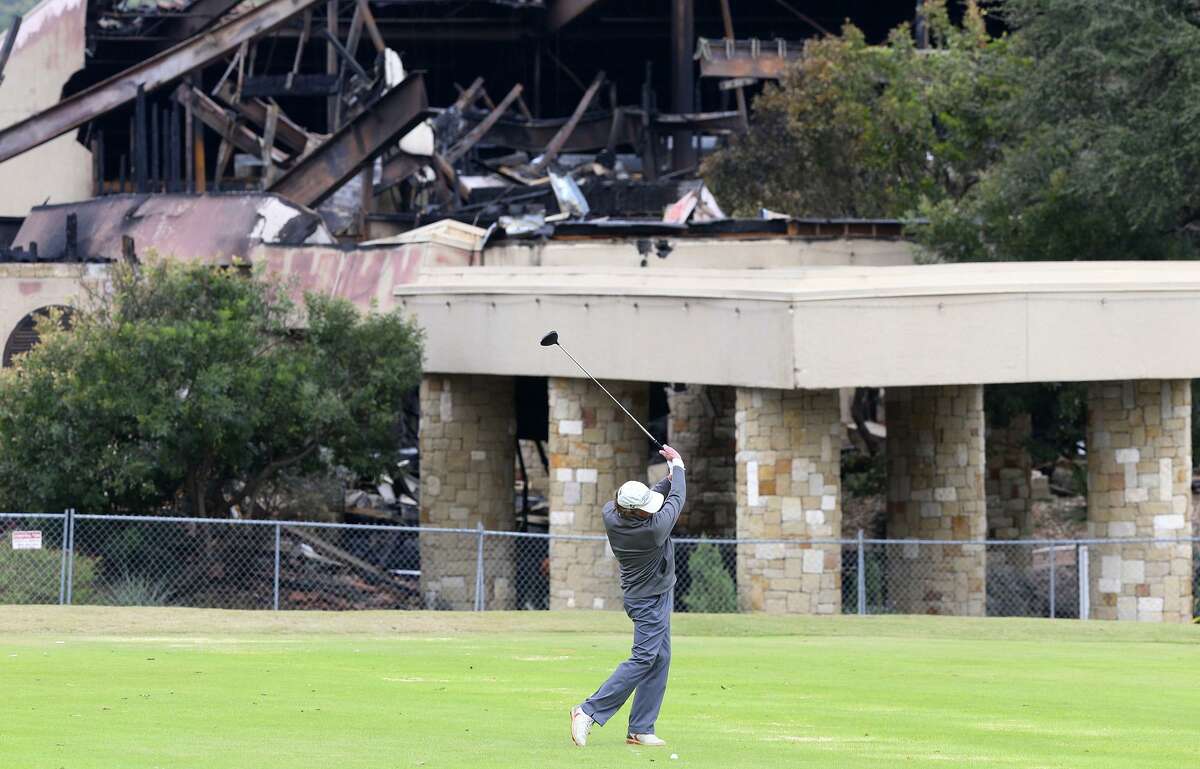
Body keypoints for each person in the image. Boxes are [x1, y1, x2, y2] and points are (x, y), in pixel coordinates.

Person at [570, 444, 686, 748]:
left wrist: (669, 474)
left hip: (652, 594)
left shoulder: (612, 512)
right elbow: (676, 499)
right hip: (648, 600)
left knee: (660, 658)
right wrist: (679, 468)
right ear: (635, 512)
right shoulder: (653, 530)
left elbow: (660, 495)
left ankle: (640, 728)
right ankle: (588, 710)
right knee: (645, 656)